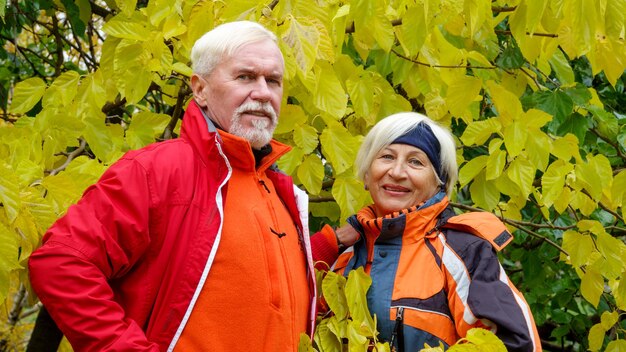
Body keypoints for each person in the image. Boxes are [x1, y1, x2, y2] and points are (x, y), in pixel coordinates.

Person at [28, 20, 355, 352]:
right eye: (245, 77)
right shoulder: (157, 170)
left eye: (273, 81)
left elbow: (264, 293)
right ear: (200, 88)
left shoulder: (282, 190)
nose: (262, 92)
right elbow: (60, 262)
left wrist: (334, 242)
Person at [330, 112, 542, 351]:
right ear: (367, 175)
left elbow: (515, 344)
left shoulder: (462, 251)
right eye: (387, 156)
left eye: (416, 162)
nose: (397, 172)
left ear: (439, 182)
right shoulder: (343, 257)